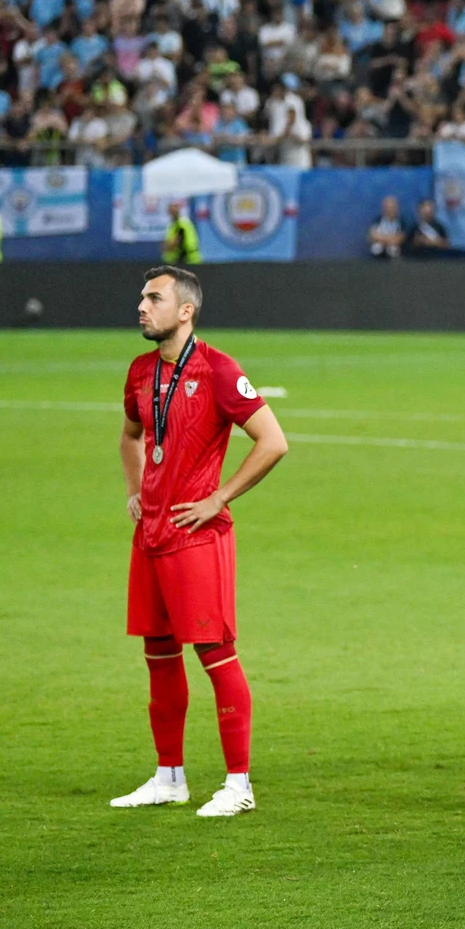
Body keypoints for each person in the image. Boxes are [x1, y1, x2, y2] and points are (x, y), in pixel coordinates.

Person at [112, 266, 288, 817]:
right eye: (142, 297)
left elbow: (273, 440)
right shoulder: (141, 371)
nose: (142, 306)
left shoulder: (217, 369)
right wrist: (136, 488)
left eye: (154, 298)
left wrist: (221, 497)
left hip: (196, 535)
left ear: (185, 311)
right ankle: (170, 777)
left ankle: (239, 784)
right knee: (158, 656)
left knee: (215, 654)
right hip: (151, 537)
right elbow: (131, 434)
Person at [368, 195, 407, 259]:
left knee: (392, 249)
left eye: (392, 208)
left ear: (396, 208)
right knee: (376, 248)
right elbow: (372, 235)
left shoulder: (402, 222)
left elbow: (399, 239)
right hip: (379, 252)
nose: (389, 210)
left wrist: (381, 239)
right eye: (387, 207)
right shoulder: (378, 220)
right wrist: (389, 240)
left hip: (394, 252)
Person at [162, 200, 200, 265]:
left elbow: (175, 242)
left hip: (188, 260)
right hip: (184, 260)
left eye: (175, 209)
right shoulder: (173, 225)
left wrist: (166, 247)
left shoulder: (181, 224)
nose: (174, 211)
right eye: (172, 209)